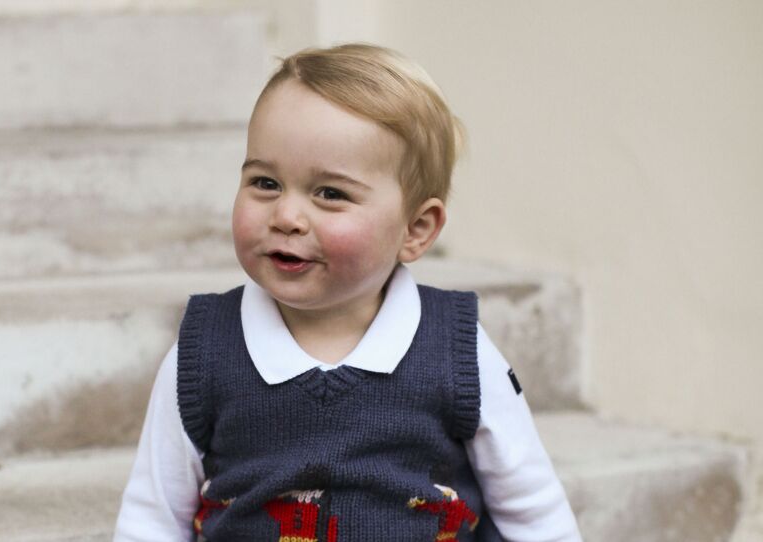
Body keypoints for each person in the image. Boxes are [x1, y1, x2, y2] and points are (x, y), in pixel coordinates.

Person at [113, 43, 581, 541]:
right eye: (265, 182)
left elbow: (534, 513)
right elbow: (153, 518)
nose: (287, 217)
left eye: (330, 194)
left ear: (416, 229)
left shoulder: (457, 352)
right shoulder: (206, 351)